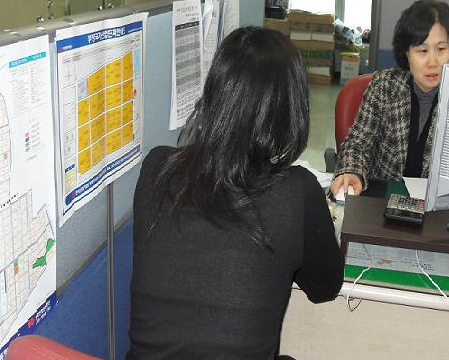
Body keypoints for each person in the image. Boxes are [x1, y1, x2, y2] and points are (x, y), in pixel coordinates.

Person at [127, 27, 344, 359]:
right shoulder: (296, 191)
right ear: (291, 109)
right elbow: (324, 288)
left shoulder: (156, 168)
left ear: (214, 94)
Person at [331, 0, 449, 196]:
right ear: (406, 53)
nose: (433, 62)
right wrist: (352, 171)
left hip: (437, 207)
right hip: (381, 203)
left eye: (441, 49)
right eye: (422, 51)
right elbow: (357, 144)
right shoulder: (384, 86)